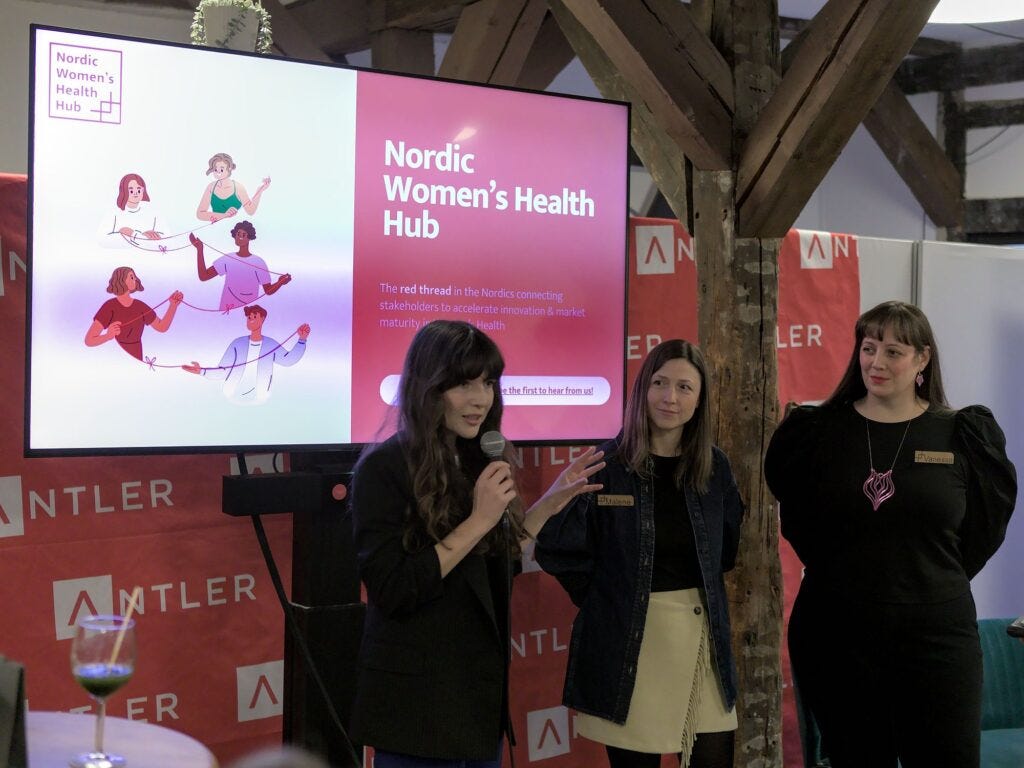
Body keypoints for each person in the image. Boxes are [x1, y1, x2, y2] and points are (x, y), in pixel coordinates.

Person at [765, 300, 1017, 768]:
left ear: (922, 359)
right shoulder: (817, 433)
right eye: (869, 347)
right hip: (837, 633)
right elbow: (798, 519)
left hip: (937, 635)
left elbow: (985, 525)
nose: (876, 363)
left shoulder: (962, 434)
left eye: (894, 351)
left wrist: (927, 575)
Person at [349, 319, 605, 768]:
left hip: (478, 699)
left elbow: (493, 563)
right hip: (416, 708)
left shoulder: (477, 459)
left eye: (488, 383)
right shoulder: (383, 469)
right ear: (429, 388)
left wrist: (547, 504)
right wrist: (480, 519)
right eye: (464, 384)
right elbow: (394, 587)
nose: (481, 399)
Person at [535, 339, 744, 768]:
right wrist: (608, 599)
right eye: (660, 383)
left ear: (700, 398)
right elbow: (556, 545)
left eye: (685, 387)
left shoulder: (715, 466)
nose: (670, 397)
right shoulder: (606, 465)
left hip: (702, 642)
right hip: (631, 643)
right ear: (642, 389)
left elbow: (726, 548)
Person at [182, 304, 310, 404]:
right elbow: (223, 371)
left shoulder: (271, 344)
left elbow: (288, 360)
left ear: (263, 319)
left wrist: (302, 340)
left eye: (254, 317)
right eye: (249, 318)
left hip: (261, 399)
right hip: (231, 396)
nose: (251, 320)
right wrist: (201, 371)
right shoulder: (237, 344)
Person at [85, 266, 183, 361]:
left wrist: (173, 306)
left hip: (137, 355)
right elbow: (89, 340)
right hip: (117, 356)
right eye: (131, 277)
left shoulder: (140, 306)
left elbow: (161, 327)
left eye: (135, 277)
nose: (135, 279)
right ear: (121, 280)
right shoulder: (109, 306)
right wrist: (107, 336)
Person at [190, 222, 290, 311]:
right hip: (227, 308)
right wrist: (200, 250)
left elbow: (268, 290)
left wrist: (280, 282)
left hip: (248, 312)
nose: (240, 237)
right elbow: (204, 276)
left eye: (243, 235)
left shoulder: (259, 262)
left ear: (249, 237)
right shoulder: (228, 259)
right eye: (238, 234)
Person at [196, 152, 270, 222]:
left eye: (221, 169)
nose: (218, 172)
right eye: (215, 169)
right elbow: (200, 214)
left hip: (234, 229)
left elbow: (250, 211)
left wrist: (259, 191)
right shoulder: (211, 187)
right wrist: (224, 215)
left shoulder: (238, 187)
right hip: (215, 230)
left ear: (230, 168)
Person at [97, 172, 165, 247]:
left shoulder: (153, 213)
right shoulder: (114, 213)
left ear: (143, 191)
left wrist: (133, 234)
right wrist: (142, 238)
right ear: (124, 191)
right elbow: (102, 239)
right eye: (131, 191)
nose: (135, 193)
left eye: (139, 190)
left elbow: (166, 239)